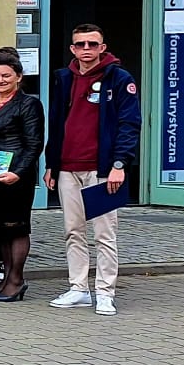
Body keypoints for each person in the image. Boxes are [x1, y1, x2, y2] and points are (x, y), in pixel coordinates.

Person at [45, 24, 138, 316]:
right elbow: (56, 123)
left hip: (102, 170)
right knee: (73, 231)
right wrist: (51, 164)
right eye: (81, 44)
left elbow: (129, 124)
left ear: (102, 47)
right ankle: (79, 289)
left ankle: (105, 293)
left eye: (92, 44)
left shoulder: (119, 78)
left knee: (104, 234)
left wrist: (119, 164)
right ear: (72, 49)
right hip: (67, 168)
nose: (87, 49)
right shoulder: (64, 78)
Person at [0, 49, 43, 302]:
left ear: (18, 77)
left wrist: (18, 172)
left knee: (16, 229)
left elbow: (34, 144)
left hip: (15, 176)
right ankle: (5, 279)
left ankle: (16, 281)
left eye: (6, 76)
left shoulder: (28, 104)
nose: (0, 80)